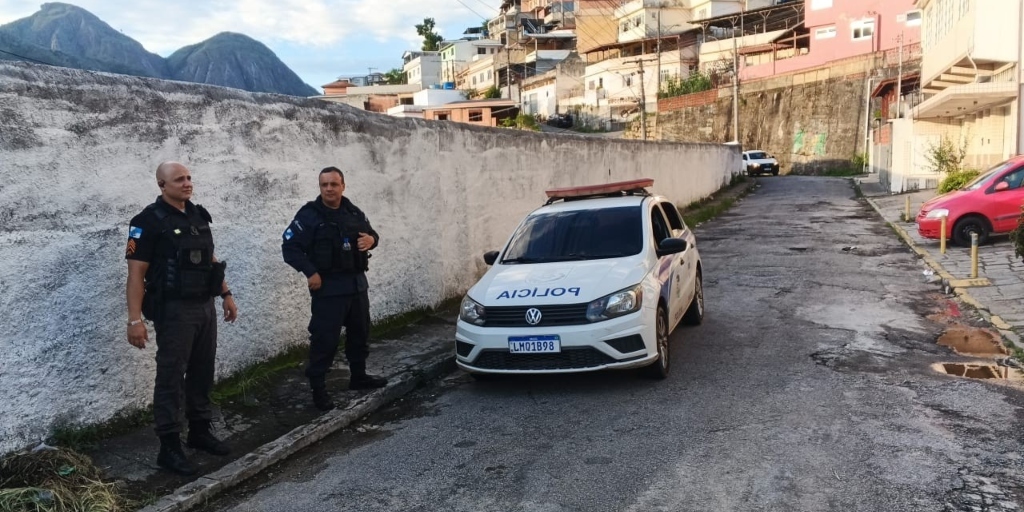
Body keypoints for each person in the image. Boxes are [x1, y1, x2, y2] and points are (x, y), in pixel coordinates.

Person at [125, 161, 238, 476]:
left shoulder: (198, 215)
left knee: (203, 370)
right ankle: (169, 447)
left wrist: (226, 294)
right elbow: (136, 274)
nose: (187, 183)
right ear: (162, 184)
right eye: (179, 179)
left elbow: (210, 259)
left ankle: (200, 432)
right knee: (171, 376)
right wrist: (135, 320)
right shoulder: (147, 221)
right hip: (173, 311)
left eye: (189, 177)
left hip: (204, 306)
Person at [282, 166, 387, 412]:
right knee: (324, 340)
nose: (329, 188)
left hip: (357, 285)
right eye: (324, 185)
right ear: (320, 187)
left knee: (360, 334)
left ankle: (358, 377)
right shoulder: (309, 215)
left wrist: (372, 240)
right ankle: (318, 390)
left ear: (343, 186)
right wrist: (311, 272)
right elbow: (290, 248)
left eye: (333, 184)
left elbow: (372, 234)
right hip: (328, 289)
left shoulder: (353, 211)